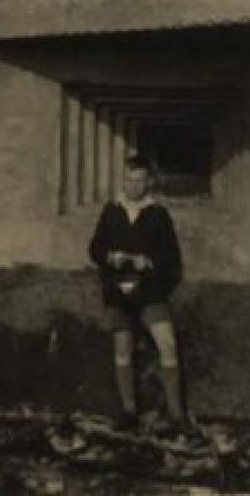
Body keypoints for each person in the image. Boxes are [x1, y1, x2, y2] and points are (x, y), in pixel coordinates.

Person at [88, 153, 187, 433]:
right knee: (122, 348)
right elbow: (95, 249)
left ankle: (176, 415)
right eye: (129, 180)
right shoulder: (112, 211)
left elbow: (172, 259)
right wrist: (111, 257)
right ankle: (129, 411)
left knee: (167, 343)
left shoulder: (158, 214)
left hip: (149, 290)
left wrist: (150, 262)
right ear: (123, 180)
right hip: (118, 290)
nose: (134, 186)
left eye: (139, 180)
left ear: (148, 182)